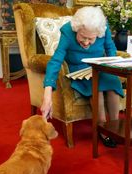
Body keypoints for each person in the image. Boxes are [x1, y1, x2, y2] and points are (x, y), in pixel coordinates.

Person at [40, 6, 124, 148]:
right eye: (82, 37)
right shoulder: (68, 30)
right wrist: (47, 94)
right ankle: (102, 129)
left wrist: (112, 67)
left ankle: (114, 127)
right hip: (79, 69)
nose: (86, 42)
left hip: (100, 66)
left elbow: (110, 49)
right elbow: (56, 60)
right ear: (76, 29)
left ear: (98, 33)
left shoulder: (103, 28)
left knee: (112, 84)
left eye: (91, 39)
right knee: (96, 89)